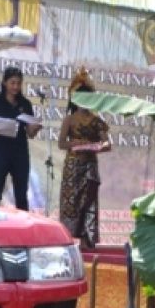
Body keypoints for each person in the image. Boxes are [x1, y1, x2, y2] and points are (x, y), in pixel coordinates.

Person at [57, 69, 111, 249]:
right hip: (73, 166)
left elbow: (107, 144)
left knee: (88, 202)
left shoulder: (96, 121)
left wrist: (94, 146)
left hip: (90, 166)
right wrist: (75, 143)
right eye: (81, 98)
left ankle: (87, 239)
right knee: (70, 202)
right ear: (74, 99)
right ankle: (68, 237)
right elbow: (61, 144)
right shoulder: (69, 120)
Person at [0, 65, 42, 210]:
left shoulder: (25, 104)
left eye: (18, 83)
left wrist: (35, 128)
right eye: (12, 83)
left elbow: (30, 133)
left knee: (21, 195)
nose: (16, 87)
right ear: (5, 83)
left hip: (19, 153)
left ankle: (22, 229)